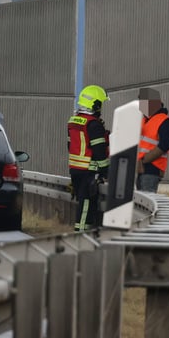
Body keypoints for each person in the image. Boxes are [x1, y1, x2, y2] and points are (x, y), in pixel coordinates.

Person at [67, 85, 110, 231]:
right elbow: (99, 151)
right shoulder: (94, 124)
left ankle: (82, 231)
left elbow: (70, 145)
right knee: (86, 204)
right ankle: (80, 234)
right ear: (95, 104)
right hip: (89, 171)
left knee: (83, 202)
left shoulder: (73, 121)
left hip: (75, 169)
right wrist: (105, 170)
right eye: (100, 104)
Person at [137, 87, 169, 193]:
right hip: (141, 168)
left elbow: (165, 144)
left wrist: (144, 160)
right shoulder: (144, 119)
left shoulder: (163, 120)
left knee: (146, 200)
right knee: (140, 200)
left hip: (152, 168)